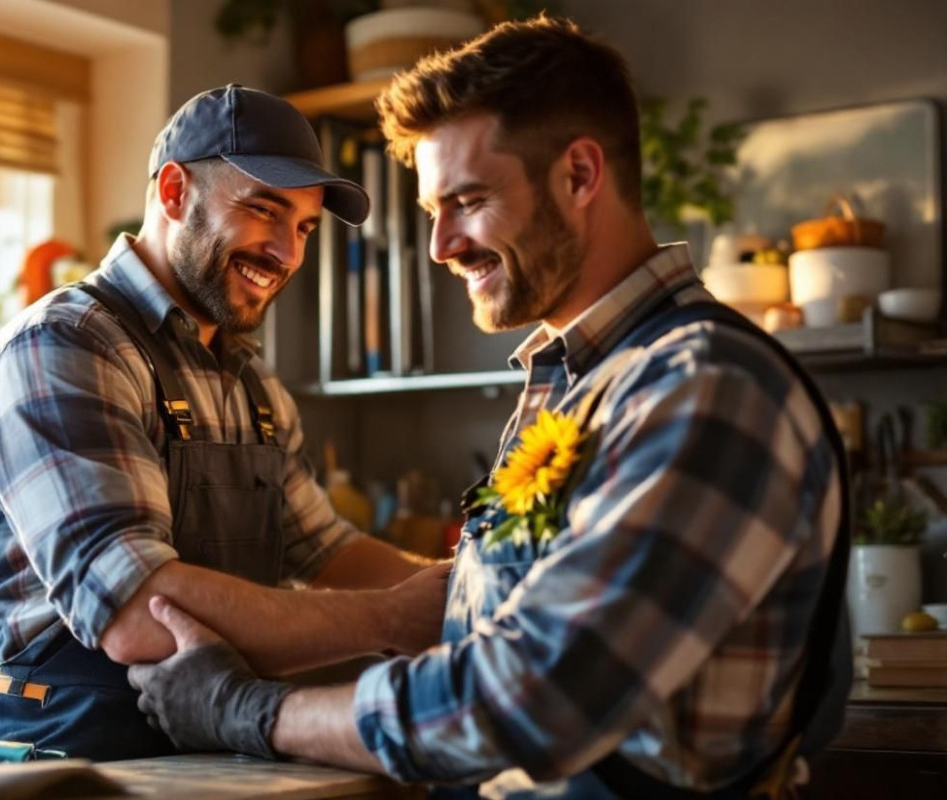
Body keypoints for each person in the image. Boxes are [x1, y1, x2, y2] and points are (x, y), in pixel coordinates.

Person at [129, 17, 852, 799]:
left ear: (579, 176)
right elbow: (486, 642)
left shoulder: (704, 388)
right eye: (434, 209)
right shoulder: (581, 382)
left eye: (467, 201)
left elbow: (537, 696)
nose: (441, 246)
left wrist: (247, 711)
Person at [0, 84, 450, 764]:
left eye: (304, 227)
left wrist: (470, 591)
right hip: (66, 753)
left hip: (215, 736)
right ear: (174, 191)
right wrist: (393, 620)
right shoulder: (63, 348)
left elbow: (329, 551)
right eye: (264, 210)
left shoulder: (252, 384)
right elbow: (134, 611)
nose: (287, 253)